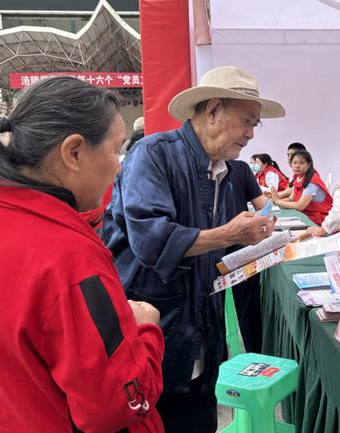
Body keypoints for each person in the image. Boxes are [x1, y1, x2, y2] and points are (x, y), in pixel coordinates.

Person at [0, 77, 166, 432]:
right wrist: (146, 332)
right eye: (115, 150)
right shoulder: (69, 256)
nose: (119, 166)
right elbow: (115, 406)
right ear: (74, 152)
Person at [102, 66, 284, 432]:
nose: (251, 133)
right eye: (247, 120)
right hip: (157, 331)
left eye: (256, 124)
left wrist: (246, 252)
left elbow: (205, 249)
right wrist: (228, 234)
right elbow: (152, 240)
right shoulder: (153, 154)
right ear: (213, 109)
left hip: (201, 328)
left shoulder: (227, 170)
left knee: (200, 417)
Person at [225, 159, 268, 353]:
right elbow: (263, 206)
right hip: (238, 250)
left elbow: (263, 206)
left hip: (211, 251)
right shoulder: (240, 168)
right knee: (247, 309)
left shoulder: (240, 168)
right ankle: (255, 354)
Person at [271, 149, 333, 226]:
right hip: (306, 214)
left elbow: (300, 206)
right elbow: (291, 199)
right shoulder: (298, 177)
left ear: (309, 164)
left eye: (301, 163)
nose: (297, 166)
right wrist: (275, 201)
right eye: (294, 163)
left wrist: (278, 201)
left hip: (319, 218)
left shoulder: (311, 182)